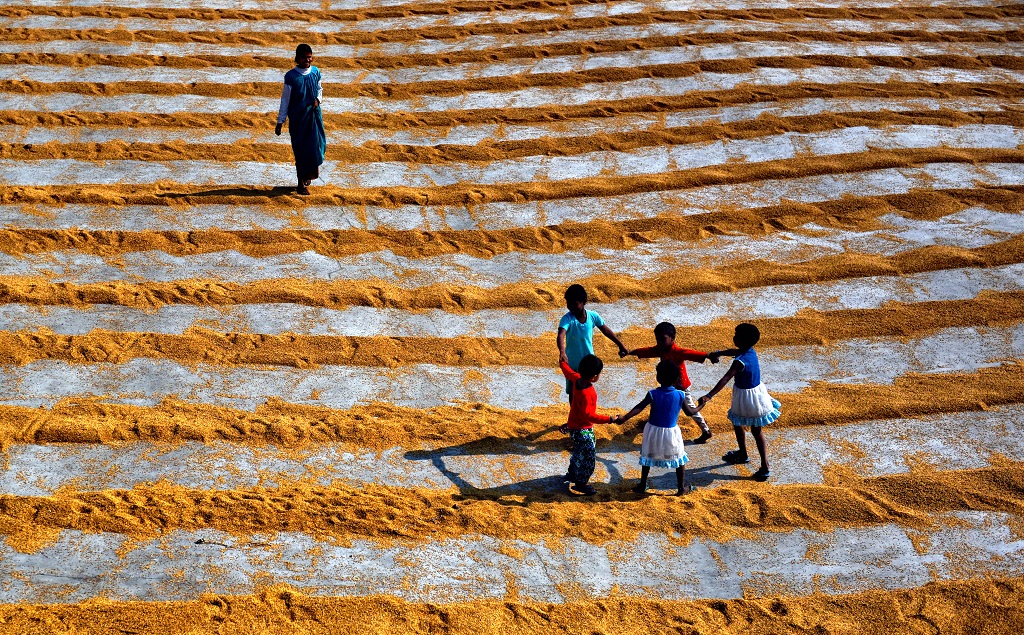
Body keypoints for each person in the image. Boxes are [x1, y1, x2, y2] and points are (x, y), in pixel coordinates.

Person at [700, 323, 780, 481]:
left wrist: (709, 395)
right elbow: (733, 351)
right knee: (742, 426)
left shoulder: (739, 361)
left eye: (736, 335)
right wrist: (719, 353)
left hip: (747, 398)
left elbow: (726, 378)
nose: (733, 337)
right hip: (755, 394)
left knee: (753, 430)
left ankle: (764, 466)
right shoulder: (749, 351)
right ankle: (745, 455)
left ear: (743, 340)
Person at [618, 360, 703, 495]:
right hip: (671, 432)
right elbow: (690, 413)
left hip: (652, 430)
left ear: (658, 378)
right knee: (679, 458)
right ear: (676, 379)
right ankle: (681, 488)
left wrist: (624, 418)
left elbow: (639, 407)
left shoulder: (652, 394)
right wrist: (701, 405)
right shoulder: (680, 395)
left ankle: (642, 484)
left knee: (647, 457)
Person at [624, 321, 715, 443]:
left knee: (690, 408)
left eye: (662, 339)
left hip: (680, 386)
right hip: (668, 384)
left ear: (672, 339)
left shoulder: (677, 351)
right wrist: (630, 352)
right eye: (657, 339)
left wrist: (708, 355)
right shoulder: (660, 349)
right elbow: (647, 351)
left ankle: (706, 431)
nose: (659, 342)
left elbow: (691, 354)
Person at [556, 284, 628, 402]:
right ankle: (574, 417)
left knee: (586, 390)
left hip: (588, 363)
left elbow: (606, 331)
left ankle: (585, 414)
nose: (571, 307)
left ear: (584, 302)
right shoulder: (567, 319)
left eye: (574, 304)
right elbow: (561, 334)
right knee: (573, 392)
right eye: (568, 304)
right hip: (572, 363)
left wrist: (621, 345)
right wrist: (562, 351)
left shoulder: (593, 316)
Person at [559, 353, 618, 496]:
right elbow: (589, 416)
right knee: (588, 457)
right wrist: (610, 419)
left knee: (578, 452)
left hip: (573, 427)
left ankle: (572, 473)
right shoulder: (589, 393)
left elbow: (568, 372)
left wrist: (562, 362)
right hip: (583, 430)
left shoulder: (576, 379)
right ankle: (581, 483)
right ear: (594, 377)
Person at [275, 43, 326, 196]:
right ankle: (300, 183)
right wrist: (280, 121)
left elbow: (319, 89)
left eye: (309, 57)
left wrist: (318, 100)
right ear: (297, 58)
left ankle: (308, 175)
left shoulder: (316, 72)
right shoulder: (291, 77)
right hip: (298, 119)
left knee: (317, 147)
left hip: (314, 117)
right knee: (301, 150)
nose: (307, 60)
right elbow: (285, 100)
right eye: (304, 57)